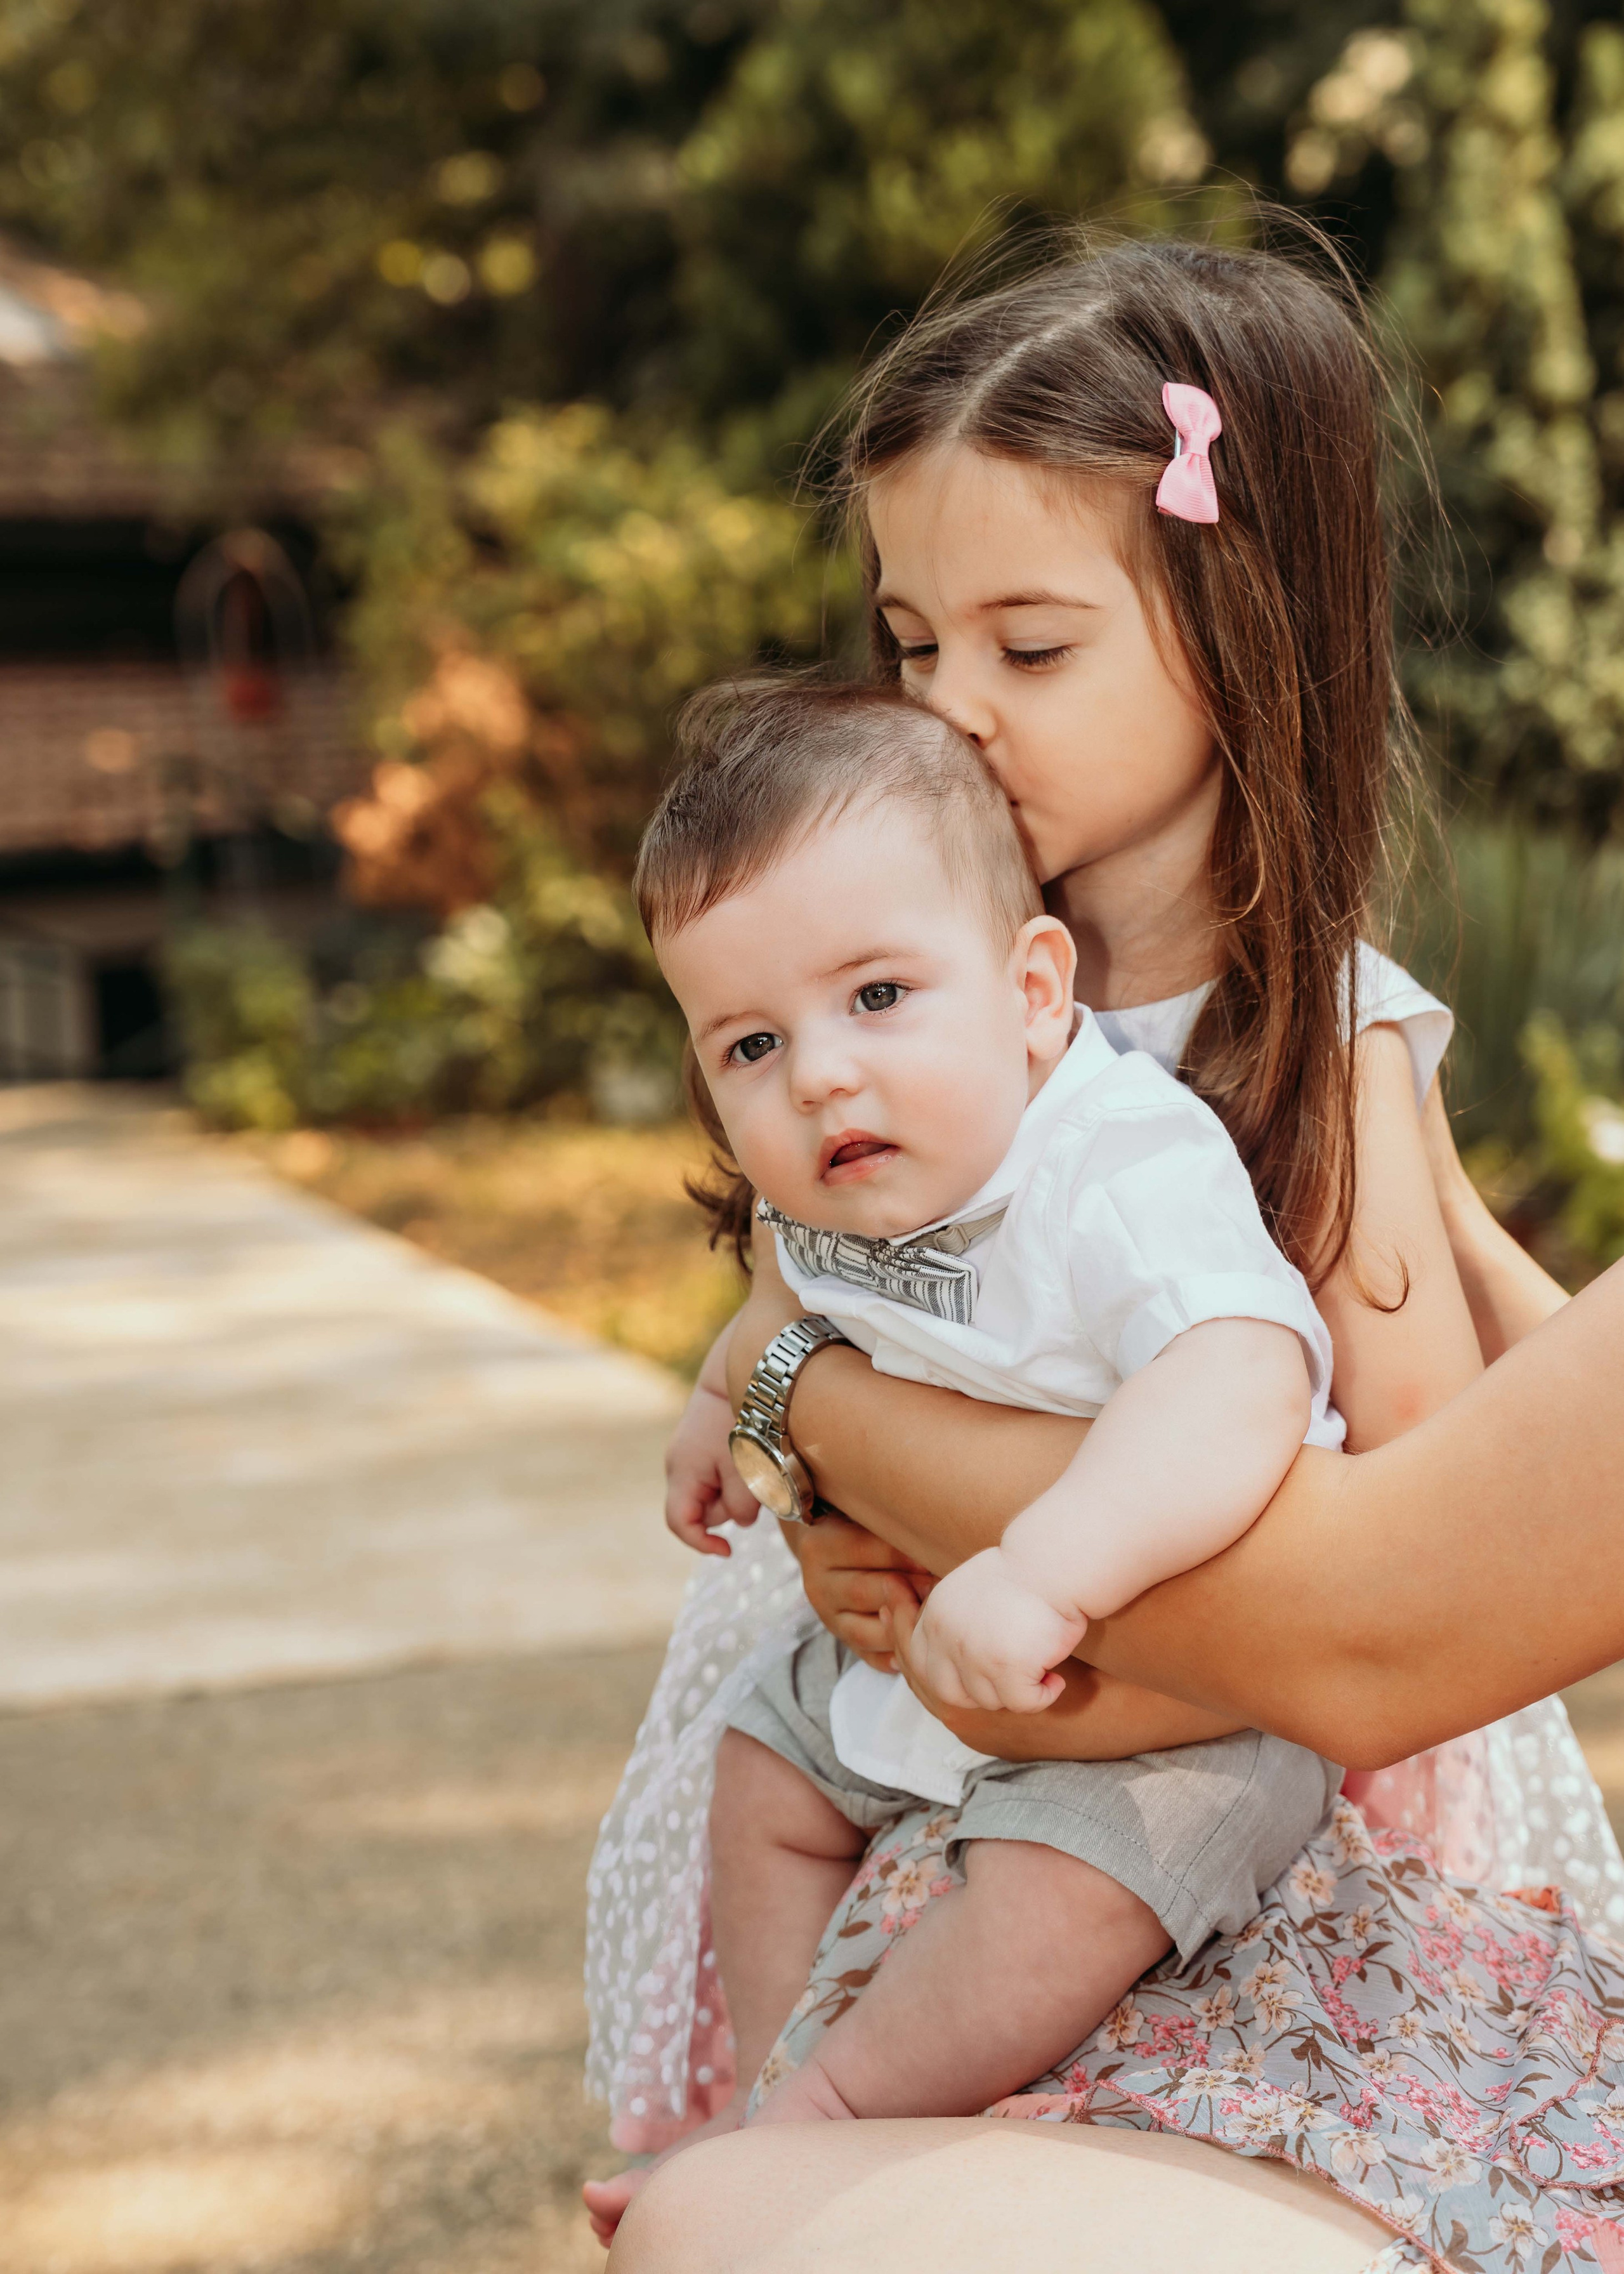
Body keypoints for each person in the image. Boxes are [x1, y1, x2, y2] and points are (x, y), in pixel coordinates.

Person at [588, 226, 1624, 2272]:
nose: (951, 713)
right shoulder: (908, 992)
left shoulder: (1315, 1053)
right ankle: (786, 2106)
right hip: (911, 1759)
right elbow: (834, 1265)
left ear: (1239, 632)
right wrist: (797, 1452)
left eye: (1031, 649)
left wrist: (923, 1522)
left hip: (1174, 1804)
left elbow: (1412, 1500)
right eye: (914, 647)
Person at [631, 670, 1350, 2169]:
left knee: (1067, 1881)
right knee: (758, 1765)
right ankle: (775, 2075)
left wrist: (1044, 1570)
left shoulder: (1118, 1166)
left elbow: (1240, 1374)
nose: (819, 1074)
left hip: (1165, 1695)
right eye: (748, 1045)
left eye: (874, 997)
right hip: (935, 1651)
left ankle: (834, 2114)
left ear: (1030, 993)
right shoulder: (844, 1176)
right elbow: (783, 1291)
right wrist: (718, 1404)